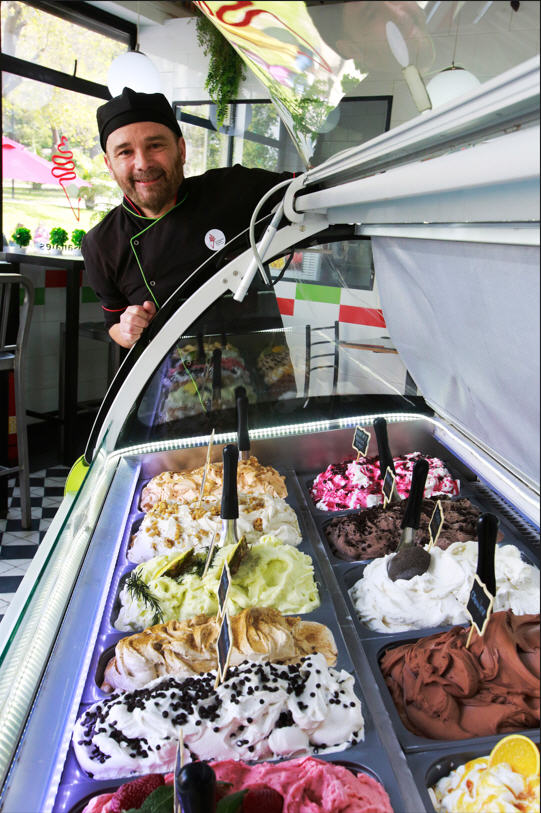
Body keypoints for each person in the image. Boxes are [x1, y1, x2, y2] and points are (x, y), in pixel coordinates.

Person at [82, 87, 293, 349]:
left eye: (155, 145)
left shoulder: (232, 189)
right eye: (125, 152)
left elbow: (308, 189)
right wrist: (126, 330)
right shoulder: (101, 243)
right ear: (109, 165)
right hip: (171, 380)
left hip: (259, 364)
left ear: (181, 149)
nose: (143, 163)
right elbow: (113, 322)